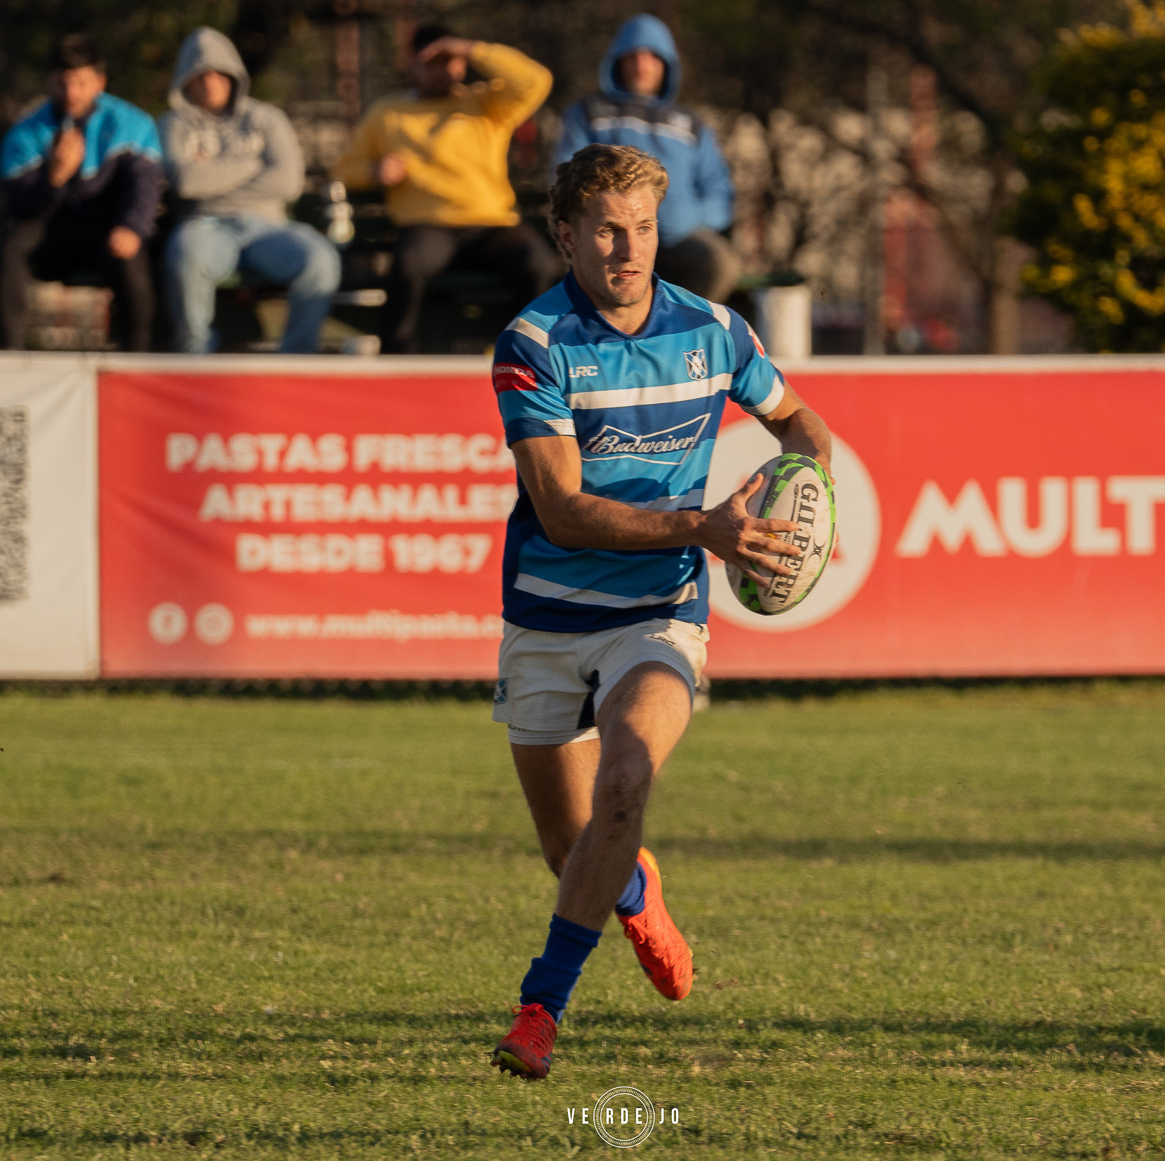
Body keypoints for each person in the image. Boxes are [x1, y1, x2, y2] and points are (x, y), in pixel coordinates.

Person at [485, 145, 833, 1080]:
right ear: (565, 235)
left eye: (641, 227)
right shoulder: (533, 345)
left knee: (626, 779)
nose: (627, 247)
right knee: (574, 846)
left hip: (662, 609)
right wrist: (703, 523)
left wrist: (802, 500)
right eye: (604, 227)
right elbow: (560, 508)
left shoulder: (716, 330)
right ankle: (635, 889)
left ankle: (538, 1011)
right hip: (548, 617)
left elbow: (805, 426)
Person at [336, 26, 562, 354]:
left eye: (452, 60)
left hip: (491, 226)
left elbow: (535, 80)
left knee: (538, 264)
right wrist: (374, 171)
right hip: (429, 228)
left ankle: (527, 355)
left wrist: (473, 48)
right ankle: (397, 357)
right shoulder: (388, 113)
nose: (446, 69)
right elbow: (343, 168)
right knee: (408, 265)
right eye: (434, 61)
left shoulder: (486, 103)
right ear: (413, 63)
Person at [159, 28, 340, 354]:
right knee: (185, 256)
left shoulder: (266, 118)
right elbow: (186, 183)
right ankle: (194, 355)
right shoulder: (173, 125)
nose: (209, 83)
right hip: (205, 225)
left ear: (233, 75)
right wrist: (252, 166)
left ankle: (297, 357)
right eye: (199, 76)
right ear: (185, 80)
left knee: (321, 261)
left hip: (268, 227)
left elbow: (288, 183)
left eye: (217, 74)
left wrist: (211, 178)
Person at [0, 34, 164, 351]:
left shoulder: (132, 124)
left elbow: (144, 186)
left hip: (106, 230)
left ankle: (137, 357)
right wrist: (54, 179)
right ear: (50, 82)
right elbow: (17, 205)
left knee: (131, 256)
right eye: (62, 82)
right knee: (12, 245)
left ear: (100, 82)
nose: (71, 93)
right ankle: (8, 353)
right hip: (51, 229)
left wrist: (132, 226)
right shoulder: (26, 132)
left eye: (81, 83)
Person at [556, 14, 738, 303]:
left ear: (667, 64)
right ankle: (604, 341)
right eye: (632, 56)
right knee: (583, 268)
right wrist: (604, 218)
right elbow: (566, 177)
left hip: (679, 241)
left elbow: (720, 193)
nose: (642, 66)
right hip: (611, 233)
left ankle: (677, 336)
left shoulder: (692, 123)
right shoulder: (589, 112)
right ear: (617, 61)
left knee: (720, 264)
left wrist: (690, 218)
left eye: (653, 56)